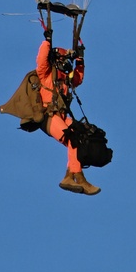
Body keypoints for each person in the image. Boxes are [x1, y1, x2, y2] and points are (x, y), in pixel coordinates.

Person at [36, 31, 100, 195]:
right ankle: (79, 177)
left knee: (81, 136)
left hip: (62, 116)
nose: (65, 64)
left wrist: (80, 60)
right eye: (63, 60)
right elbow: (41, 61)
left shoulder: (65, 81)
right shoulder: (46, 75)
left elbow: (77, 79)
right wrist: (47, 42)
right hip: (48, 116)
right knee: (72, 137)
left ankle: (69, 177)